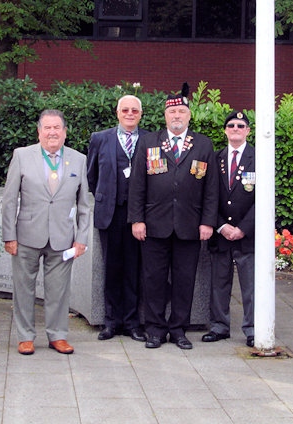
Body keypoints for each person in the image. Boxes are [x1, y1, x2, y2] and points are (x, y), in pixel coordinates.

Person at [128, 83, 219, 350]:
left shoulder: (203, 144)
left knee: (184, 279)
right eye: (172, 113)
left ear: (189, 115)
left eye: (181, 111)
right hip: (154, 224)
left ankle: (178, 328)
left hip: (190, 226)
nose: (176, 116)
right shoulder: (149, 142)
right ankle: (154, 329)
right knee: (153, 278)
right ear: (165, 117)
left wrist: (207, 222)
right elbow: (137, 184)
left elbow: (211, 189)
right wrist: (137, 219)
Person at [2, 109, 90, 356]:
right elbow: (9, 200)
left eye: (57, 128)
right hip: (27, 236)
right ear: (39, 131)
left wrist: (81, 238)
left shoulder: (78, 159)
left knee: (59, 291)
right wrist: (9, 236)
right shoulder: (21, 156)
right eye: (47, 128)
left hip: (63, 238)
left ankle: (58, 336)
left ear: (64, 132)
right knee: (23, 288)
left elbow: (84, 204)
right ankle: (25, 336)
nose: (52, 132)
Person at [87, 95, 147, 342]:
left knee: (134, 269)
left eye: (134, 110)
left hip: (138, 216)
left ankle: (133, 323)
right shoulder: (100, 139)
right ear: (117, 112)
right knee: (111, 269)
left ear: (140, 114)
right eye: (125, 110)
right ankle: (111, 322)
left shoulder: (150, 140)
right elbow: (91, 175)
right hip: (110, 214)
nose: (130, 114)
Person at [204, 111, 255, 347]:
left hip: (247, 234)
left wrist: (243, 228)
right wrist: (222, 225)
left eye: (240, 125)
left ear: (248, 131)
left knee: (250, 285)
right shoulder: (216, 158)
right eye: (231, 125)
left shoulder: (259, 157)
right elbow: (207, 196)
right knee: (219, 282)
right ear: (225, 130)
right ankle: (219, 326)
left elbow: (263, 198)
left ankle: (253, 328)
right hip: (222, 233)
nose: (235, 128)